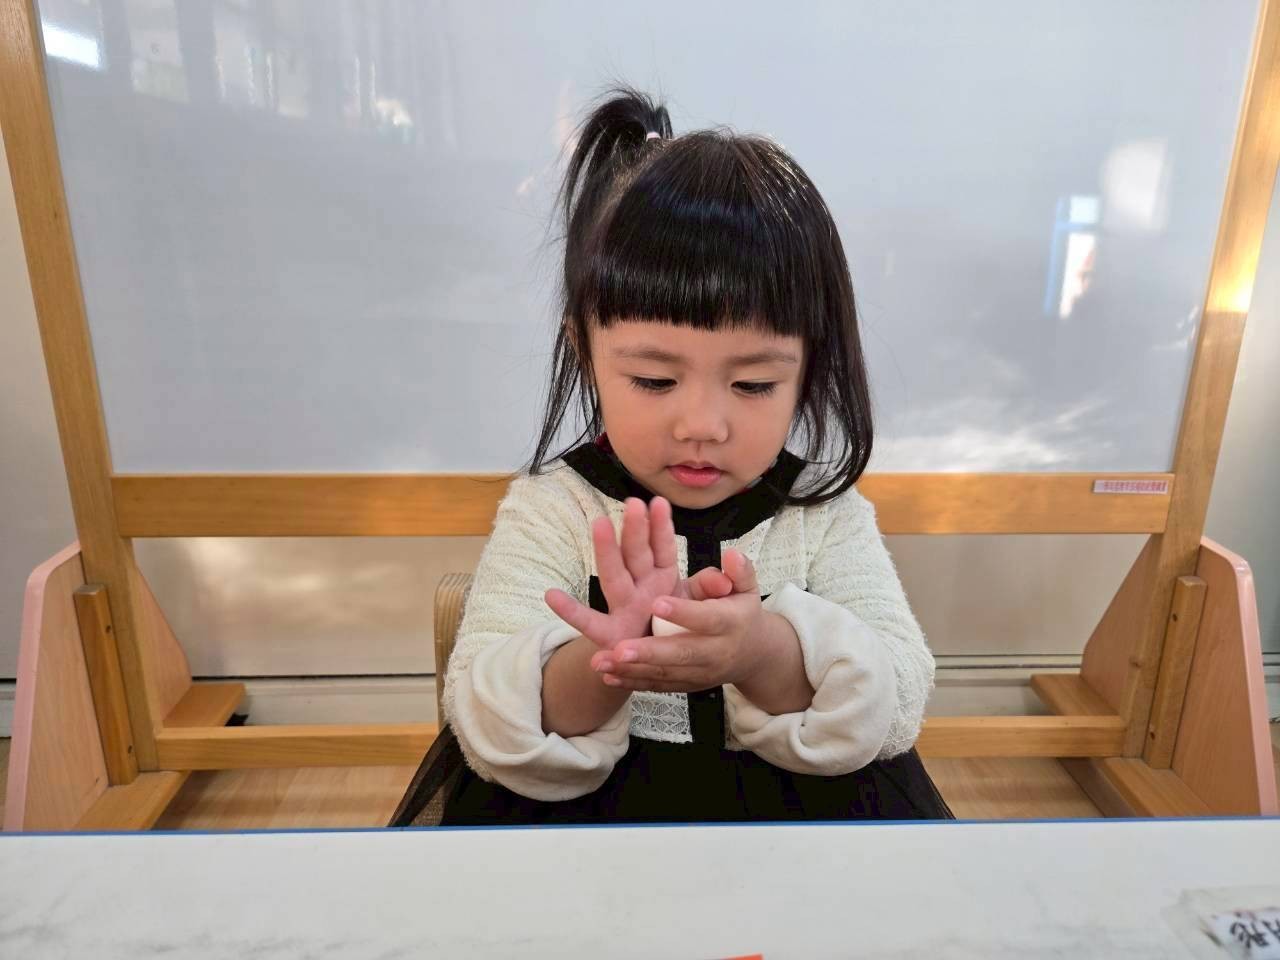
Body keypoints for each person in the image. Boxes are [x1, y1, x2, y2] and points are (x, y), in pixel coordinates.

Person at [397, 87, 952, 826]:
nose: (702, 426)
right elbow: (482, 712)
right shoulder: (554, 509)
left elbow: (900, 696)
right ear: (585, 351)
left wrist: (762, 652)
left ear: (809, 368)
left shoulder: (821, 512)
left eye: (753, 384)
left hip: (804, 825)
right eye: (655, 380)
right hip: (587, 828)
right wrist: (608, 661)